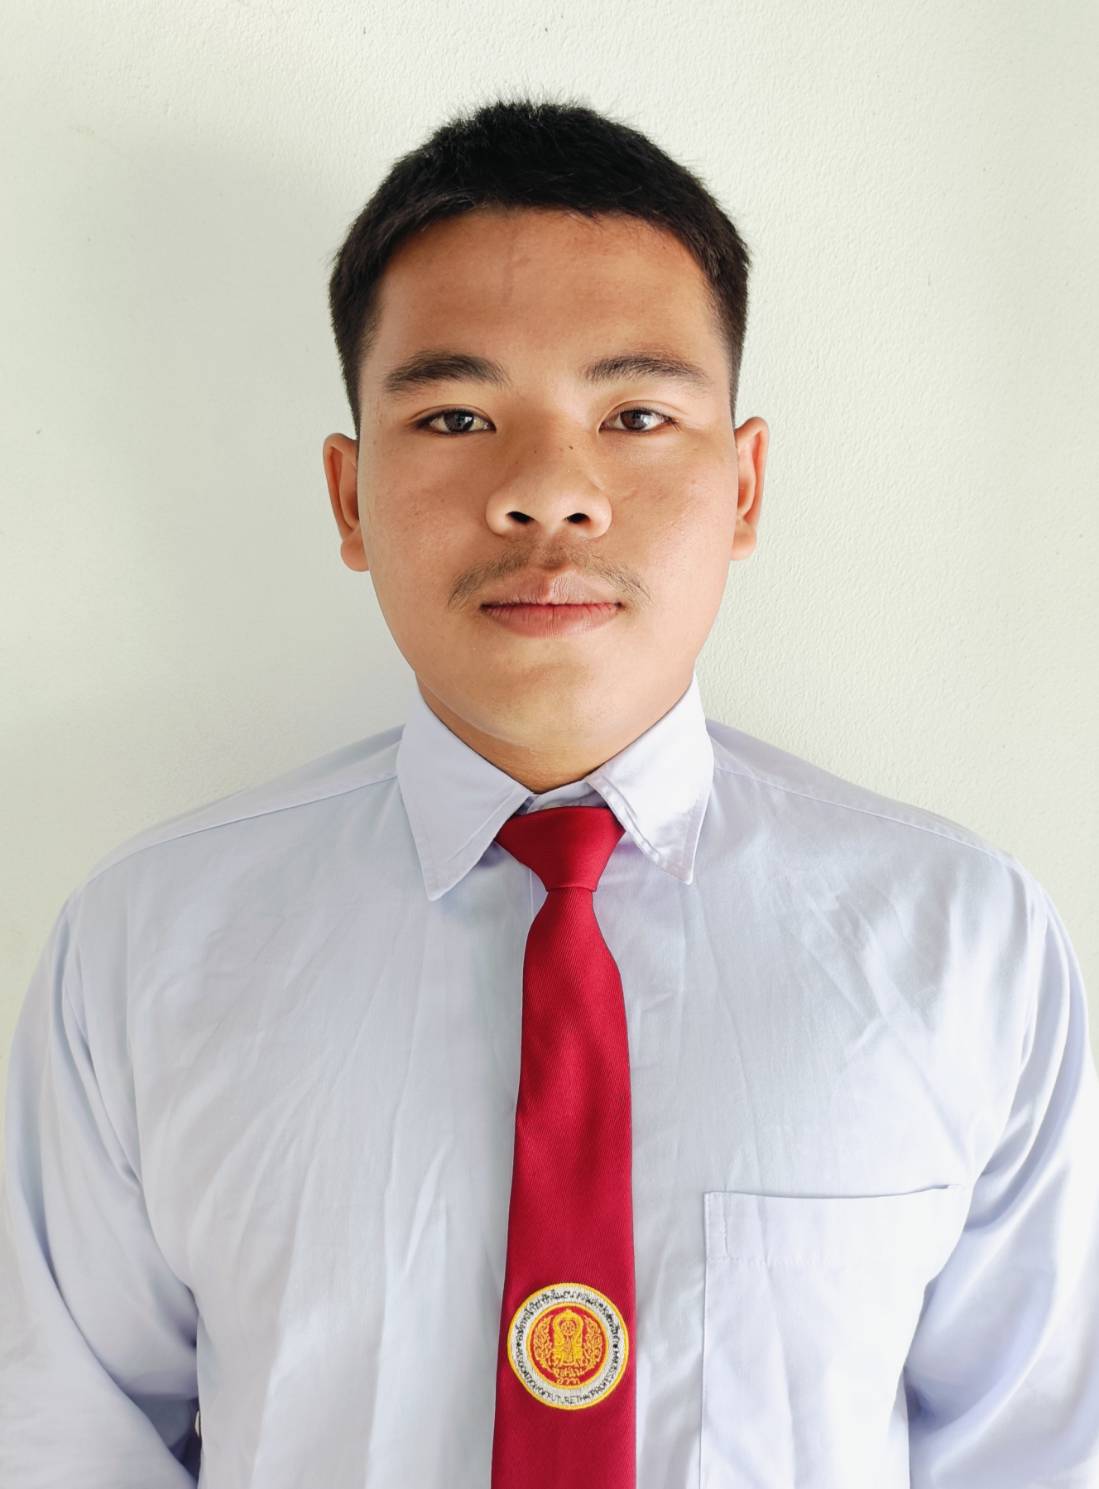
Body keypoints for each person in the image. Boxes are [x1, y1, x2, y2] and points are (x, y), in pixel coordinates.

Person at [2, 92, 1097, 1489]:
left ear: (744, 485)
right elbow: (64, 1445)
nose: (549, 493)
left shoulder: (962, 944)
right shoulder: (147, 953)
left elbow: (1038, 1452)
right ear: (349, 496)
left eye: (635, 413)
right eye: (456, 414)